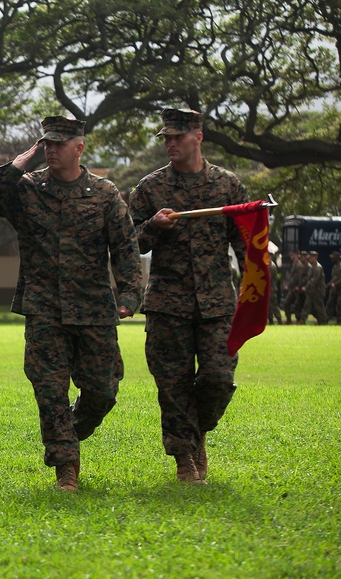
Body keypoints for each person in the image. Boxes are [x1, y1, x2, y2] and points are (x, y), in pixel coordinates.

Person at [0, 116, 141, 491]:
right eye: (47, 143)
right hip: (43, 308)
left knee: (103, 391)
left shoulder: (105, 193)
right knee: (49, 388)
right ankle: (66, 467)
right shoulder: (26, 189)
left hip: (93, 308)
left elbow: (125, 248)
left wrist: (129, 295)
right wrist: (12, 167)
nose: (51, 149)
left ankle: (73, 430)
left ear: (80, 147)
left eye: (60, 143)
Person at [128, 108, 249, 484]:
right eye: (166, 137)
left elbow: (246, 242)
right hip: (168, 303)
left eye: (178, 137)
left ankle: (195, 435)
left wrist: (256, 286)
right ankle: (185, 458)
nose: (170, 143)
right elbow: (127, 243)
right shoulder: (150, 188)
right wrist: (154, 226)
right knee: (173, 383)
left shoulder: (228, 185)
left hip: (217, 303)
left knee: (218, 378)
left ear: (198, 137)